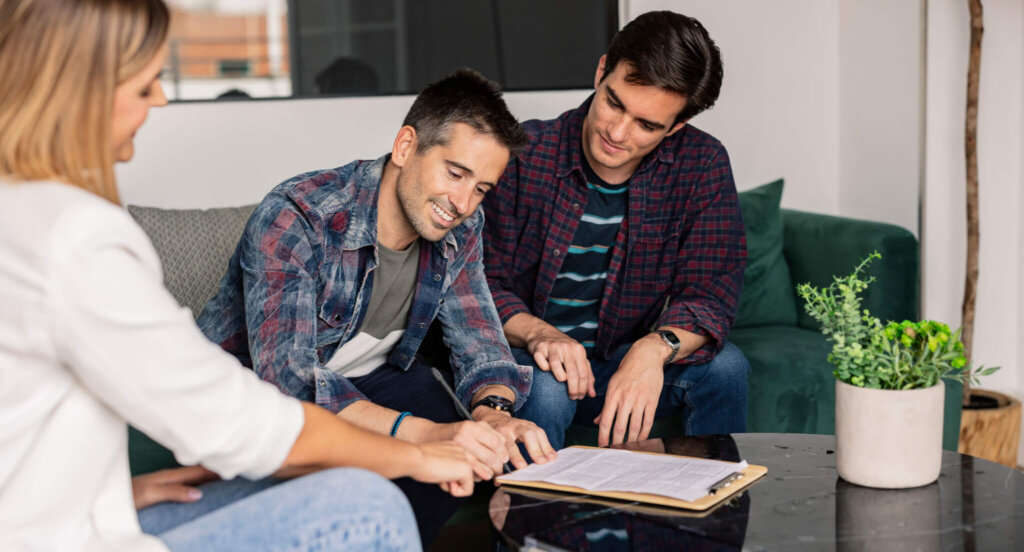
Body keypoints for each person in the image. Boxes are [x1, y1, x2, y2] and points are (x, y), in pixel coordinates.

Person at [0, 0, 475, 550]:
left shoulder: (21, 211)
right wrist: (416, 453)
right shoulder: (75, 238)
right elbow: (248, 422)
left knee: (348, 470)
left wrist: (110, 494)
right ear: (82, 91)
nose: (160, 97)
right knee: (368, 506)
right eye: (144, 84)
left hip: (48, 516)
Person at [196, 68, 557, 545]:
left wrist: (492, 413)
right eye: (455, 173)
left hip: (364, 378)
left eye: (481, 189)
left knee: (473, 444)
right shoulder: (298, 216)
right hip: (249, 389)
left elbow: (479, 338)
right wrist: (419, 436)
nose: (464, 202)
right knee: (429, 440)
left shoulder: (462, 227)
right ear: (406, 146)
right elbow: (288, 383)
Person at [482, 11, 750, 451]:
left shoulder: (702, 164)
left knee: (726, 368)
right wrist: (540, 334)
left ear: (676, 126)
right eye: (614, 102)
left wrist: (652, 349)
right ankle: (525, 515)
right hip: (531, 358)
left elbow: (710, 295)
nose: (617, 132)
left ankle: (710, 509)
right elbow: (476, 282)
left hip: (622, 360)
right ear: (602, 70)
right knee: (545, 392)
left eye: (647, 125)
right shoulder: (523, 156)